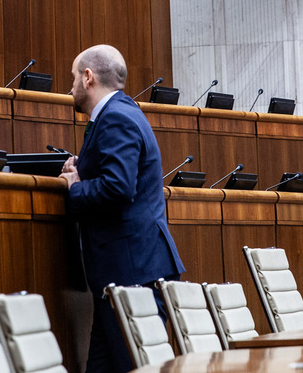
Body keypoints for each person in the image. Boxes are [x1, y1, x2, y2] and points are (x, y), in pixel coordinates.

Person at [59, 44, 184, 373]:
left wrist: (75, 186)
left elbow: (118, 187)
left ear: (88, 77)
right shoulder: (122, 113)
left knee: (136, 367)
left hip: (131, 272)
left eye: (73, 77)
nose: (69, 86)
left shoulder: (115, 117)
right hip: (124, 272)